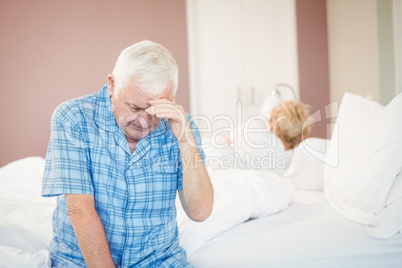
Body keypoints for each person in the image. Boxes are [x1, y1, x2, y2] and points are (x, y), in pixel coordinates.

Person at [41, 40, 214, 267]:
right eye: (134, 108)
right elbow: (80, 210)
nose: (144, 121)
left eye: (155, 110)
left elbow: (200, 212)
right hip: (81, 262)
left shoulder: (181, 125)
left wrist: (185, 138)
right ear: (112, 85)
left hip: (159, 260)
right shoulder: (73, 117)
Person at [221, 101, 312, 175]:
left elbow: (225, 140)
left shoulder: (255, 130)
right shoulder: (287, 162)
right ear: (300, 137)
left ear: (273, 123)